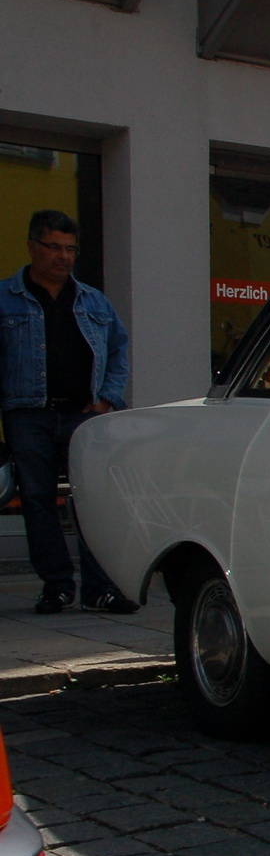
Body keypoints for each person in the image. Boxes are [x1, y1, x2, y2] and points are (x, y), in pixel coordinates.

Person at [1, 211, 137, 614]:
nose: (63, 257)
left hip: (85, 416)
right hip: (28, 415)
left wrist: (107, 398)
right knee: (39, 500)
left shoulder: (93, 300)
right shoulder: (6, 298)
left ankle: (101, 587)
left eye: (70, 249)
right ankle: (57, 586)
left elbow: (118, 351)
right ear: (32, 247)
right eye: (54, 247)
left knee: (93, 500)